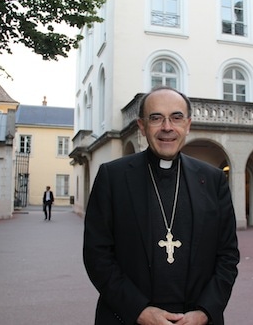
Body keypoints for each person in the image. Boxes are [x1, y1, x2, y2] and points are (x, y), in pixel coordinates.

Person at [83, 86, 240, 325]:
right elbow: (97, 256)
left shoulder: (213, 180)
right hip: (128, 318)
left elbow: (227, 256)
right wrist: (139, 311)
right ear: (142, 127)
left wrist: (206, 311)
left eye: (176, 118)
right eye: (156, 118)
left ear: (188, 125)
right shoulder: (113, 177)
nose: (167, 127)